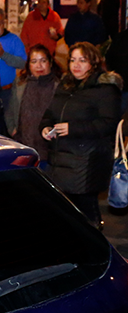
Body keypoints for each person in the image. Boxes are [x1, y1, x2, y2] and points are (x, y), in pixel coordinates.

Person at [41, 42, 122, 226]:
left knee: (86, 213)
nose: (76, 65)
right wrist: (45, 127)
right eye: (72, 60)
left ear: (93, 63)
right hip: (60, 159)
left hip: (86, 161)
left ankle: (96, 249)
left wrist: (73, 129)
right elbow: (50, 114)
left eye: (82, 60)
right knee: (64, 212)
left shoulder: (105, 89)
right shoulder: (66, 85)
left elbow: (108, 123)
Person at [5, 44, 60, 163]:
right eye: (34, 61)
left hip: (50, 149)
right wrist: (13, 130)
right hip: (23, 145)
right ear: (29, 65)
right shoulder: (21, 83)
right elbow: (10, 109)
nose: (39, 66)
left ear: (50, 62)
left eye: (43, 61)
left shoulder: (59, 85)